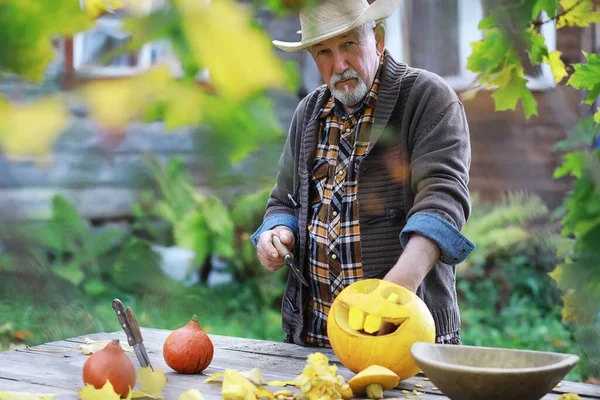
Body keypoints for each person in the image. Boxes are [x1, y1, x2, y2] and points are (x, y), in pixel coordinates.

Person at [251, 0, 475, 347]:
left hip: (407, 335)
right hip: (315, 339)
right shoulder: (308, 113)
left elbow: (444, 200)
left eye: (349, 44)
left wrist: (397, 288)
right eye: (323, 51)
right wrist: (277, 231)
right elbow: (284, 200)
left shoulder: (428, 98)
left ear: (379, 39)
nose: (338, 64)